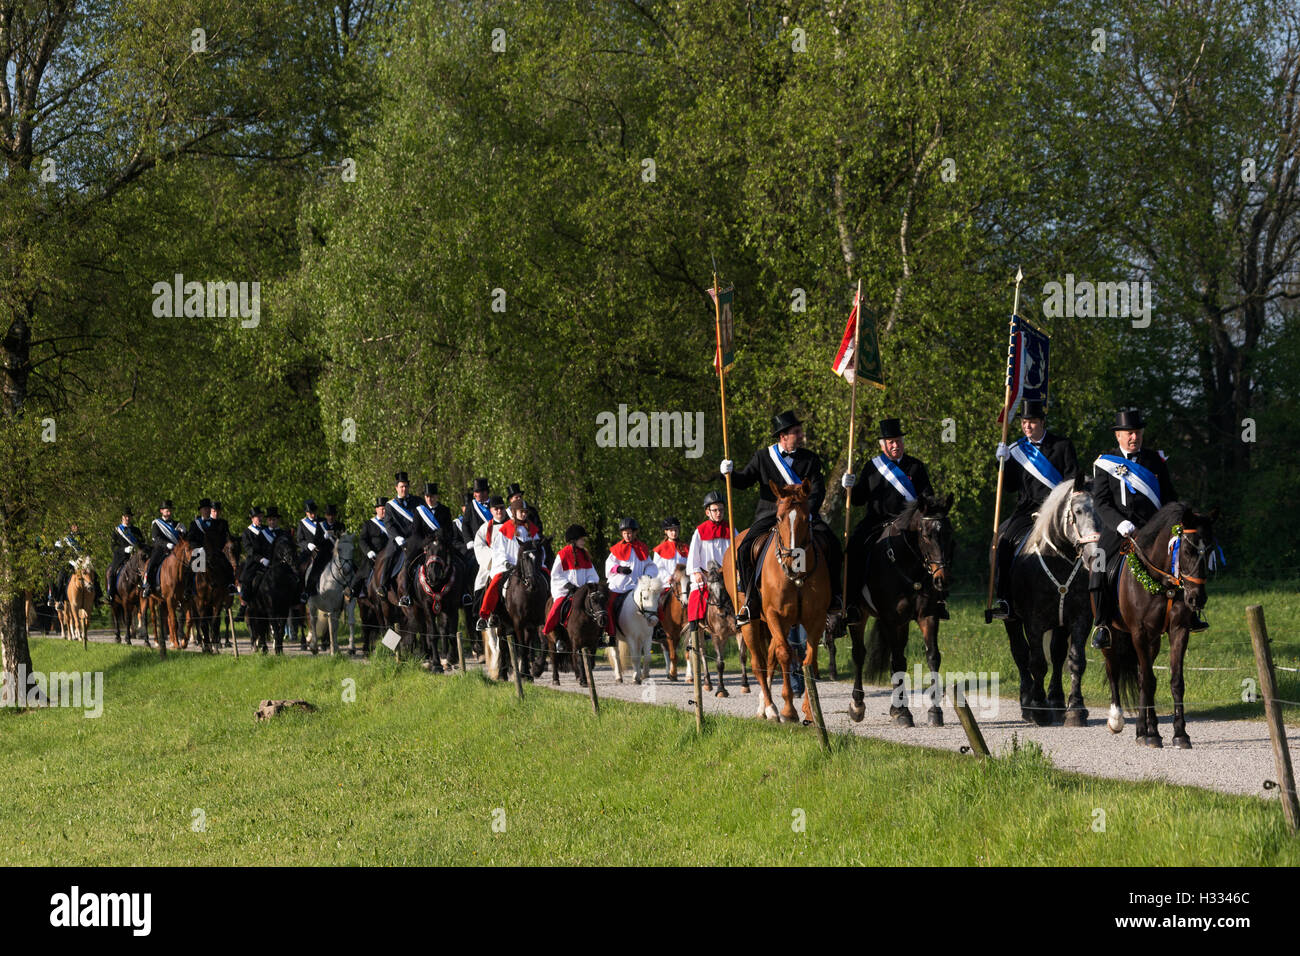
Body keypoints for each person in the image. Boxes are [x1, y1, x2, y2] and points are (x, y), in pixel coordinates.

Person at [721, 410, 847, 625]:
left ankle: (836, 597)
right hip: (771, 515)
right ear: (783, 436)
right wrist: (730, 474)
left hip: (803, 516)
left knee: (834, 545)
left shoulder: (810, 459)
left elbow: (818, 490)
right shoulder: (763, 457)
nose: (801, 436)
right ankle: (749, 599)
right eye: (796, 432)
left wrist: (808, 511)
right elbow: (744, 482)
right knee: (743, 549)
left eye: (800, 432)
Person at [1088, 407, 1193, 648]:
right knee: (1099, 567)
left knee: (1184, 561)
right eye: (1129, 433)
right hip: (1119, 530)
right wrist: (1119, 523)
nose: (1134, 437)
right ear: (1118, 436)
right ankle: (1102, 624)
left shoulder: (1155, 460)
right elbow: (1101, 502)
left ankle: (1190, 615)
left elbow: (1169, 497)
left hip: (1154, 530)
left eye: (1137, 433)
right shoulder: (1105, 463)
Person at [989, 400, 1080, 621]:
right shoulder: (1016, 450)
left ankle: (1085, 598)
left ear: (1042, 422)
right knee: (1004, 543)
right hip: (1027, 510)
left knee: (1086, 542)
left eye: (1031, 422)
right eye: (1024, 422)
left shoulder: (1062, 445)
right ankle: (1004, 599)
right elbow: (1009, 487)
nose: (1027, 427)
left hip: (1058, 511)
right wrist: (1002, 463)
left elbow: (1072, 478)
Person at [843, 418, 935, 617]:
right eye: (891, 442)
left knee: (936, 544)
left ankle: (937, 598)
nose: (896, 446)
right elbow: (858, 499)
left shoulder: (915, 466)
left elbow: (927, 496)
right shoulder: (873, 467)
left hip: (909, 524)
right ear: (883, 445)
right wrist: (848, 486)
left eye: (898, 441)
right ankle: (851, 602)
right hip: (876, 522)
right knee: (854, 547)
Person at [477, 499, 543, 629]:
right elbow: (499, 550)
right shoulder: (506, 528)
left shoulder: (532, 529)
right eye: (521, 512)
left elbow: (540, 549)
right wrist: (506, 563)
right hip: (510, 565)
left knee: (546, 579)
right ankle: (486, 615)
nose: (524, 514)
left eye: (525, 512)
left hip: (530, 566)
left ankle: (546, 612)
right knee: (495, 582)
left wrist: (538, 561)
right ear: (513, 512)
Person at [542, 523, 605, 640]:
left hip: (583, 590)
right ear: (574, 540)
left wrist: (589, 585)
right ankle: (556, 636)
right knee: (557, 608)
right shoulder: (563, 554)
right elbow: (555, 574)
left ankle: (599, 635)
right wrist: (568, 585)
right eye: (581, 539)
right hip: (566, 590)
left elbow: (592, 574)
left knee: (599, 606)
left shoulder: (585, 554)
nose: (584, 541)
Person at [684, 491, 731, 633]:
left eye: (721, 510)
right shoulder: (700, 531)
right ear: (707, 512)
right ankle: (694, 635)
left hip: (727, 575)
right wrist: (696, 571)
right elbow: (693, 555)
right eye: (715, 510)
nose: (718, 513)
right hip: (706, 575)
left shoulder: (730, 528)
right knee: (695, 598)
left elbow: (737, 551)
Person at [380, 472, 421, 606]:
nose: (404, 489)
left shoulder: (417, 501)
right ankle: (383, 586)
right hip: (398, 540)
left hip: (415, 540)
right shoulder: (390, 505)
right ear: (396, 488)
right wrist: (397, 537)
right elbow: (388, 524)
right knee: (388, 556)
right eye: (401, 487)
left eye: (406, 487)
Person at [471, 496, 509, 626]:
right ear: (491, 511)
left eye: (501, 508)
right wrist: (493, 557)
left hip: (512, 562)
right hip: (492, 564)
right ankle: (483, 616)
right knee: (482, 584)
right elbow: (479, 546)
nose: (499, 511)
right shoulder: (485, 528)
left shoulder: (514, 525)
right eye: (496, 509)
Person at [234, 507, 274, 622]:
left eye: (261, 516)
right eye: (257, 517)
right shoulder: (247, 532)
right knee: (246, 579)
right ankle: (243, 607)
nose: (260, 519)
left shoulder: (267, 529)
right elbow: (249, 549)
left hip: (270, 559)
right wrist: (261, 559)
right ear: (252, 519)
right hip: (254, 561)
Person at [141, 500, 184, 599]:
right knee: (151, 564)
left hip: (175, 550)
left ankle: (188, 588)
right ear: (161, 511)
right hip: (161, 549)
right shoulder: (156, 523)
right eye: (166, 511)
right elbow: (156, 538)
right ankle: (147, 586)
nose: (168, 513)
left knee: (188, 564)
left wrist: (183, 532)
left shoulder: (177, 524)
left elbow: (182, 539)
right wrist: (166, 544)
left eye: (170, 511)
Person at [108, 507, 145, 598]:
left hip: (135, 558)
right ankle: (110, 595)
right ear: (122, 517)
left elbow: (142, 542)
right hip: (121, 557)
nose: (127, 518)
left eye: (129, 516)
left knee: (145, 569)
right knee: (111, 572)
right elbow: (113, 547)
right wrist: (124, 550)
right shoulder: (116, 531)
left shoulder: (136, 530)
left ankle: (147, 590)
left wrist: (137, 548)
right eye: (126, 516)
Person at [651, 516, 688, 588]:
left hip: (684, 585)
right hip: (666, 585)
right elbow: (657, 568)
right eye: (671, 530)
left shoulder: (686, 547)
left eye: (676, 530)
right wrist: (668, 577)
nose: (674, 533)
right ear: (666, 531)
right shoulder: (659, 549)